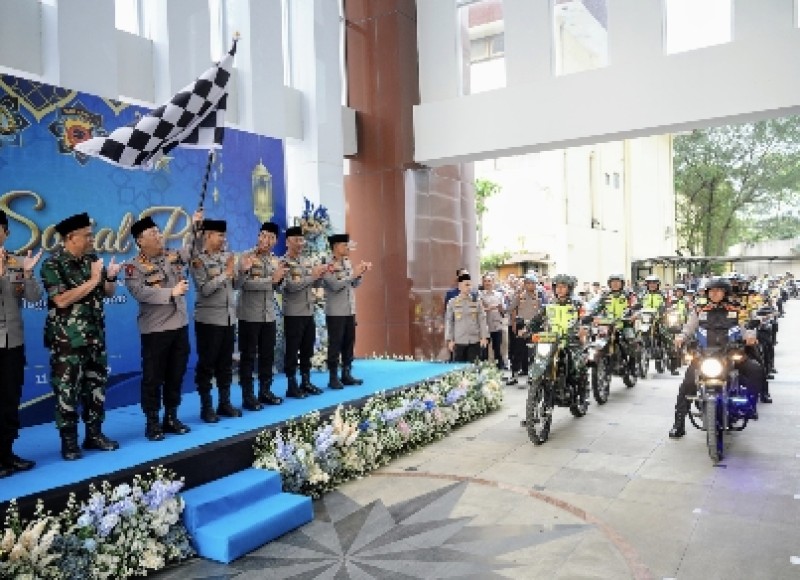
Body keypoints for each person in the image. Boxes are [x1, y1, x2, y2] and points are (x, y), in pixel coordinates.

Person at [41, 212, 121, 460]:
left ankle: (94, 435)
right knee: (67, 391)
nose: (91, 239)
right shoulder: (52, 265)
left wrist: (109, 277)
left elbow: (107, 292)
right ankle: (69, 442)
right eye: (87, 236)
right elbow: (61, 299)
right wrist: (95, 278)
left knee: (96, 387)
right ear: (70, 238)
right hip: (68, 341)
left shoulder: (92, 260)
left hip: (95, 337)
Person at [124, 214, 199, 441]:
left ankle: (171, 417)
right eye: (153, 233)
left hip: (179, 326)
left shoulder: (171, 256)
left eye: (159, 231)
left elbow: (191, 250)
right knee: (153, 378)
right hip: (155, 330)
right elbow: (140, 293)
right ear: (140, 240)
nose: (159, 236)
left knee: (175, 375)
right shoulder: (134, 267)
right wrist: (171, 292)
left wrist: (195, 226)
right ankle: (152, 422)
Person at [668, 277, 766, 438]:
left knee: (755, 369)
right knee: (687, 385)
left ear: (725, 292)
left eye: (718, 290)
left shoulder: (736, 309)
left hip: (731, 354)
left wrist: (749, 335)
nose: (714, 294)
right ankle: (678, 424)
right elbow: (689, 328)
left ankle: (750, 405)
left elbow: (746, 325)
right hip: (704, 355)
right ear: (707, 293)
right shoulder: (700, 309)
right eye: (711, 291)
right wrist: (681, 336)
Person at [0, 210, 42, 476]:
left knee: (9, 400)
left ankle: (7, 453)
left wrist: (27, 274)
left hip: (13, 344)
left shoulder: (15, 261)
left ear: (6, 232)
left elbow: (34, 297)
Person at [189, 218, 240, 423]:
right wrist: (225, 274)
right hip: (209, 320)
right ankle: (206, 406)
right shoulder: (198, 260)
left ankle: (224, 402)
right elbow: (205, 289)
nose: (223, 239)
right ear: (208, 235)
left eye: (224, 236)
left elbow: (236, 285)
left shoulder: (227, 257)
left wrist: (239, 271)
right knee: (207, 365)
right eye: (220, 235)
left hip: (228, 319)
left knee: (226, 364)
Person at [236, 221, 287, 407]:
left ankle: (265, 391)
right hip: (249, 314)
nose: (266, 240)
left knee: (267, 355)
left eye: (271, 237)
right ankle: (248, 395)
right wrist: (272, 280)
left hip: (269, 315)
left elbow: (279, 288)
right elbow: (244, 284)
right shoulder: (246, 257)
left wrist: (280, 280)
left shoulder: (275, 260)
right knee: (248, 356)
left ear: (275, 241)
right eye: (263, 235)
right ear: (258, 236)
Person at [282, 226, 328, 398]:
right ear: (288, 242)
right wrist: (312, 277)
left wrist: (321, 276)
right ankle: (291, 384)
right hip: (294, 313)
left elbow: (314, 285)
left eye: (302, 240)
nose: (300, 243)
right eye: (297, 240)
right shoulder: (284, 263)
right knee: (293, 350)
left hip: (308, 312)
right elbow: (292, 287)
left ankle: (305, 381)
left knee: (307, 349)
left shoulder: (306, 261)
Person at [322, 233, 371, 389]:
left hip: (349, 309)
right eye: (345, 245)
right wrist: (353, 275)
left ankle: (346, 373)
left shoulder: (347, 262)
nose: (348, 248)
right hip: (336, 311)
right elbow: (334, 285)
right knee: (335, 344)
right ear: (336, 246)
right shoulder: (327, 264)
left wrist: (360, 273)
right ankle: (333, 377)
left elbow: (354, 284)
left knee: (349, 343)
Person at [507, 273, 544, 385]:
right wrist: (513, 323)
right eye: (528, 283)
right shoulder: (519, 295)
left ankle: (532, 376)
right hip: (521, 325)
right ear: (524, 284)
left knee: (533, 352)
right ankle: (514, 375)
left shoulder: (540, 296)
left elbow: (544, 311)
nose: (530, 285)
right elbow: (511, 308)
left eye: (532, 283)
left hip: (535, 326)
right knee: (518, 351)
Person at [445, 273, 488, 362]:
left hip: (474, 340)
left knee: (473, 368)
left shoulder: (476, 301)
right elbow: (449, 321)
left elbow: (482, 319)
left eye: (470, 284)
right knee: (458, 369)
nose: (469, 287)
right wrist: (450, 340)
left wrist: (484, 337)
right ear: (460, 286)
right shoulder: (452, 302)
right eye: (466, 285)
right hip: (459, 341)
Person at [479, 274, 506, 370]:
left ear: (493, 282)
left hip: (496, 325)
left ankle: (500, 369)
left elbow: (503, 309)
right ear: (483, 283)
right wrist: (490, 308)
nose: (487, 283)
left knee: (497, 349)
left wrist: (500, 308)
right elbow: (479, 310)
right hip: (484, 327)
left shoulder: (499, 294)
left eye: (489, 281)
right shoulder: (479, 295)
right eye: (485, 281)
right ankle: (484, 370)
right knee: (484, 351)